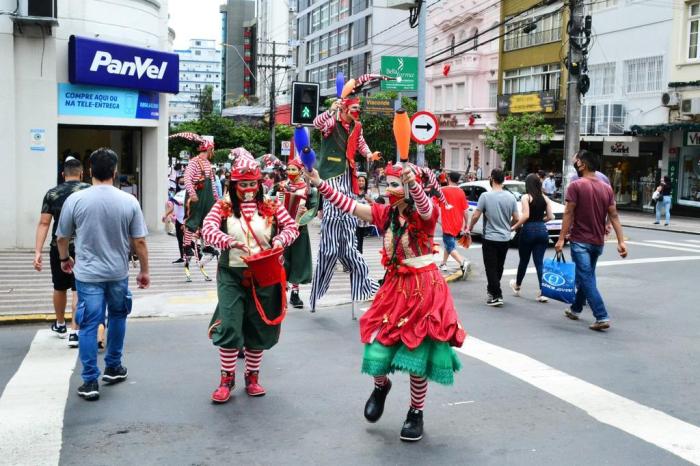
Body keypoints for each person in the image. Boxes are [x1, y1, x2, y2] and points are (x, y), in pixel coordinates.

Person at [305, 163, 465, 442]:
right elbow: (351, 206)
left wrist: (412, 184)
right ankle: (381, 386)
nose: (388, 189)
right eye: (387, 183)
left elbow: (426, 208)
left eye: (394, 184)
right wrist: (320, 184)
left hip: (424, 288)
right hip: (394, 287)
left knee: (417, 355)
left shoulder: (426, 215)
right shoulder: (385, 213)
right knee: (376, 349)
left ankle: (416, 412)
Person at [201, 148, 299, 403]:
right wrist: (228, 241)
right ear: (233, 184)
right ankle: (226, 379)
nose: (248, 189)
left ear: (259, 183)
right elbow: (207, 230)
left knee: (259, 327)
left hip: (264, 273)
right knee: (231, 325)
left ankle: (252, 377)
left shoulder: (272, 204)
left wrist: (279, 239)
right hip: (232, 274)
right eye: (243, 184)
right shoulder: (222, 206)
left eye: (252, 184)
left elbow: (292, 227)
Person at [56, 148, 150, 401]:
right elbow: (139, 241)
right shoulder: (129, 201)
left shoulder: (75, 200)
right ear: (115, 171)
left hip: (87, 275)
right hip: (118, 273)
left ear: (89, 172)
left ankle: (89, 381)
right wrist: (144, 271)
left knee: (88, 324)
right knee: (118, 316)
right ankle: (113, 366)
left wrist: (65, 259)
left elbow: (62, 237)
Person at [309, 78, 380, 311]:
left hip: (347, 178)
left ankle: (363, 286)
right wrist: (331, 109)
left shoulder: (357, 127)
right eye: (354, 109)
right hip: (329, 176)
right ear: (345, 108)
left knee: (349, 239)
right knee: (328, 248)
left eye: (359, 109)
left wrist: (369, 155)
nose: (357, 113)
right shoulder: (332, 122)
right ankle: (318, 290)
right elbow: (316, 123)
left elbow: (361, 144)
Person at [555, 150, 627, 331]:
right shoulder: (607, 188)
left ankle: (601, 316)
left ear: (583, 165)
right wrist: (621, 241)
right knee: (585, 276)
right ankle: (575, 309)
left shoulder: (576, 186)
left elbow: (568, 213)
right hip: (597, 242)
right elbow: (614, 216)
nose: (576, 164)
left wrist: (561, 239)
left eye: (578, 162)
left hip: (580, 241)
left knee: (586, 278)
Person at [34, 156, 91, 347]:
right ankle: (76, 331)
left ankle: (60, 324)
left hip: (58, 247)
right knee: (78, 288)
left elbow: (44, 223)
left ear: (62, 174)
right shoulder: (89, 191)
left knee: (59, 287)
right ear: (81, 173)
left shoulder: (52, 194)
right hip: (84, 247)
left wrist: (37, 252)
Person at [468, 169, 519, 306]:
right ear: (503, 180)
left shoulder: (485, 196)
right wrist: (509, 227)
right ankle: (492, 291)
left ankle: (497, 295)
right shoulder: (511, 197)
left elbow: (476, 215)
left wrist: (470, 227)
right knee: (499, 267)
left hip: (490, 237)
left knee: (490, 267)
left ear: (492, 179)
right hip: (505, 238)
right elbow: (517, 218)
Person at [270, 158, 316, 309]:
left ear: (301, 171)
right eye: (288, 169)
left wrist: (303, 215)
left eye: (293, 169)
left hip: (299, 228)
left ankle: (295, 293)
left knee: (297, 260)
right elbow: (268, 200)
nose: (290, 172)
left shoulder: (308, 189)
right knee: (282, 258)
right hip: (282, 228)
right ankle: (281, 290)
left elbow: (314, 209)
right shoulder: (281, 186)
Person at [509, 173, 554, 302]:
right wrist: (540, 221)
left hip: (528, 230)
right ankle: (543, 292)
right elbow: (550, 217)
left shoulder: (526, 197)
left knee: (524, 260)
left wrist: (514, 226)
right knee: (539, 262)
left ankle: (517, 286)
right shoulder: (545, 198)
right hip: (542, 230)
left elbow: (526, 215)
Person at [183, 140, 219, 261]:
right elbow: (187, 178)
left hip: (207, 195)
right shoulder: (193, 162)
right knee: (192, 220)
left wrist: (215, 197)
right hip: (197, 194)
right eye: (211, 150)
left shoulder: (208, 163)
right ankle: (187, 245)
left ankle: (207, 245)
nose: (212, 153)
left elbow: (212, 182)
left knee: (207, 220)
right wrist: (192, 193)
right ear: (208, 150)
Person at [438, 172, 470, 279]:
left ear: (448, 178)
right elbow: (465, 211)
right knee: (449, 242)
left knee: (450, 246)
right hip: (458, 223)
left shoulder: (443, 190)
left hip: (447, 222)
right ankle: (443, 263)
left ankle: (462, 263)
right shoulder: (461, 192)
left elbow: (434, 204)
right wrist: (466, 225)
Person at [163, 176, 186, 263]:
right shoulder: (178, 193)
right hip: (178, 219)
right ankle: (182, 256)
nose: (182, 184)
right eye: (180, 182)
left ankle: (198, 251)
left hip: (185, 220)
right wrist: (166, 215)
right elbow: (173, 206)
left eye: (183, 182)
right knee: (180, 239)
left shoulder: (188, 193)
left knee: (187, 239)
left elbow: (182, 203)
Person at [354, 172, 374, 254]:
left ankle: (359, 254)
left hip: (362, 220)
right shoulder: (353, 191)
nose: (361, 182)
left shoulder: (368, 192)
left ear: (365, 183)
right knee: (353, 237)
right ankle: (353, 254)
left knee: (360, 239)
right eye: (359, 180)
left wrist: (369, 199)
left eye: (363, 181)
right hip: (353, 218)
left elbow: (374, 204)